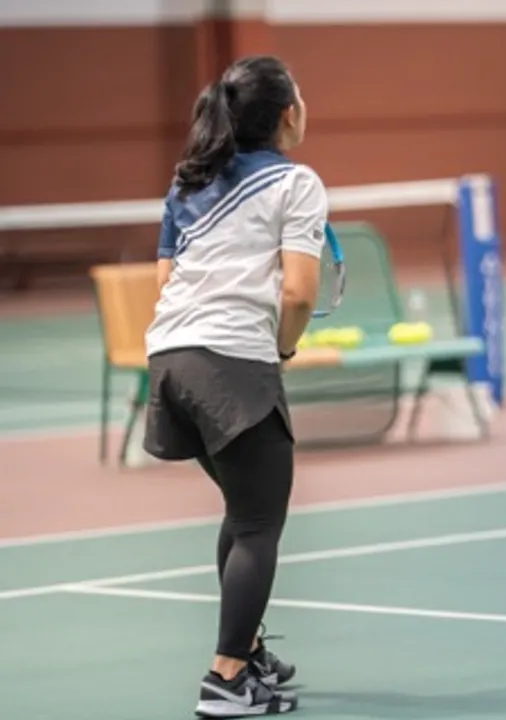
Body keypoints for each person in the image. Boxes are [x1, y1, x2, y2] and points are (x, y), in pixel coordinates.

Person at [142, 55, 328, 716]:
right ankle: (226, 681)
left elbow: (166, 281)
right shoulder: (296, 183)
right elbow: (299, 293)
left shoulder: (187, 180)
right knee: (257, 524)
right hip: (231, 363)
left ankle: (245, 652)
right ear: (288, 113)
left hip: (169, 362)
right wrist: (283, 346)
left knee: (243, 510)